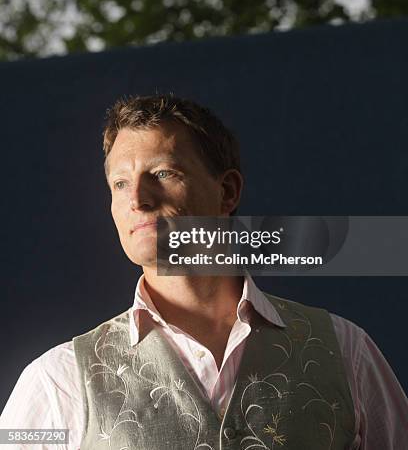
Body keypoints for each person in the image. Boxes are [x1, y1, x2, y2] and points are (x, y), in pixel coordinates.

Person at [1, 94, 407, 449]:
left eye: (162, 174)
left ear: (227, 191)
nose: (138, 200)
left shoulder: (347, 352)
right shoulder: (57, 382)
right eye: (120, 184)